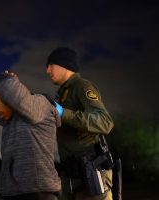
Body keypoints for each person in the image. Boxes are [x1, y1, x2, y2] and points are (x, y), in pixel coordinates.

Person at [45, 47, 115, 200]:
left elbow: (105, 122)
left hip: (91, 174)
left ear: (64, 64)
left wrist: (63, 113)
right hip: (72, 174)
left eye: (50, 65)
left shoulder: (81, 86)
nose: (47, 70)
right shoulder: (63, 93)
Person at [0, 71, 61, 200]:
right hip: (15, 193)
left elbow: (9, 90)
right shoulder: (10, 119)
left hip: (38, 193)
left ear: (8, 96)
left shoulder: (40, 106)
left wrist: (7, 78)